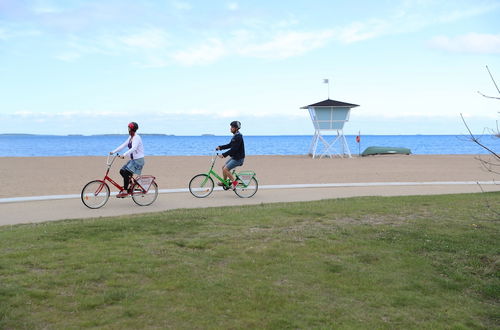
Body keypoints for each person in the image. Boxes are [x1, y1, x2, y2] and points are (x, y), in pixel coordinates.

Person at [110, 122, 145, 198]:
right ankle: (130, 184)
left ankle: (125, 191)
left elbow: (134, 148)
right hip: (133, 160)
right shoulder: (130, 138)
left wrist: (124, 154)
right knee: (122, 171)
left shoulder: (136, 137)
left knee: (126, 173)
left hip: (138, 160)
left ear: (132, 129)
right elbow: (123, 145)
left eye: (129, 128)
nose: (128, 129)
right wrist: (113, 151)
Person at [216, 120, 245, 190]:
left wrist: (223, 155)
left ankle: (235, 183)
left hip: (238, 158)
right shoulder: (235, 136)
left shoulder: (238, 137)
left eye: (232, 127)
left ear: (236, 128)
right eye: (231, 127)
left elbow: (233, 149)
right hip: (235, 157)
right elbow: (230, 145)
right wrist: (220, 147)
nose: (230, 128)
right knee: (223, 167)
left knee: (226, 169)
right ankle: (225, 182)